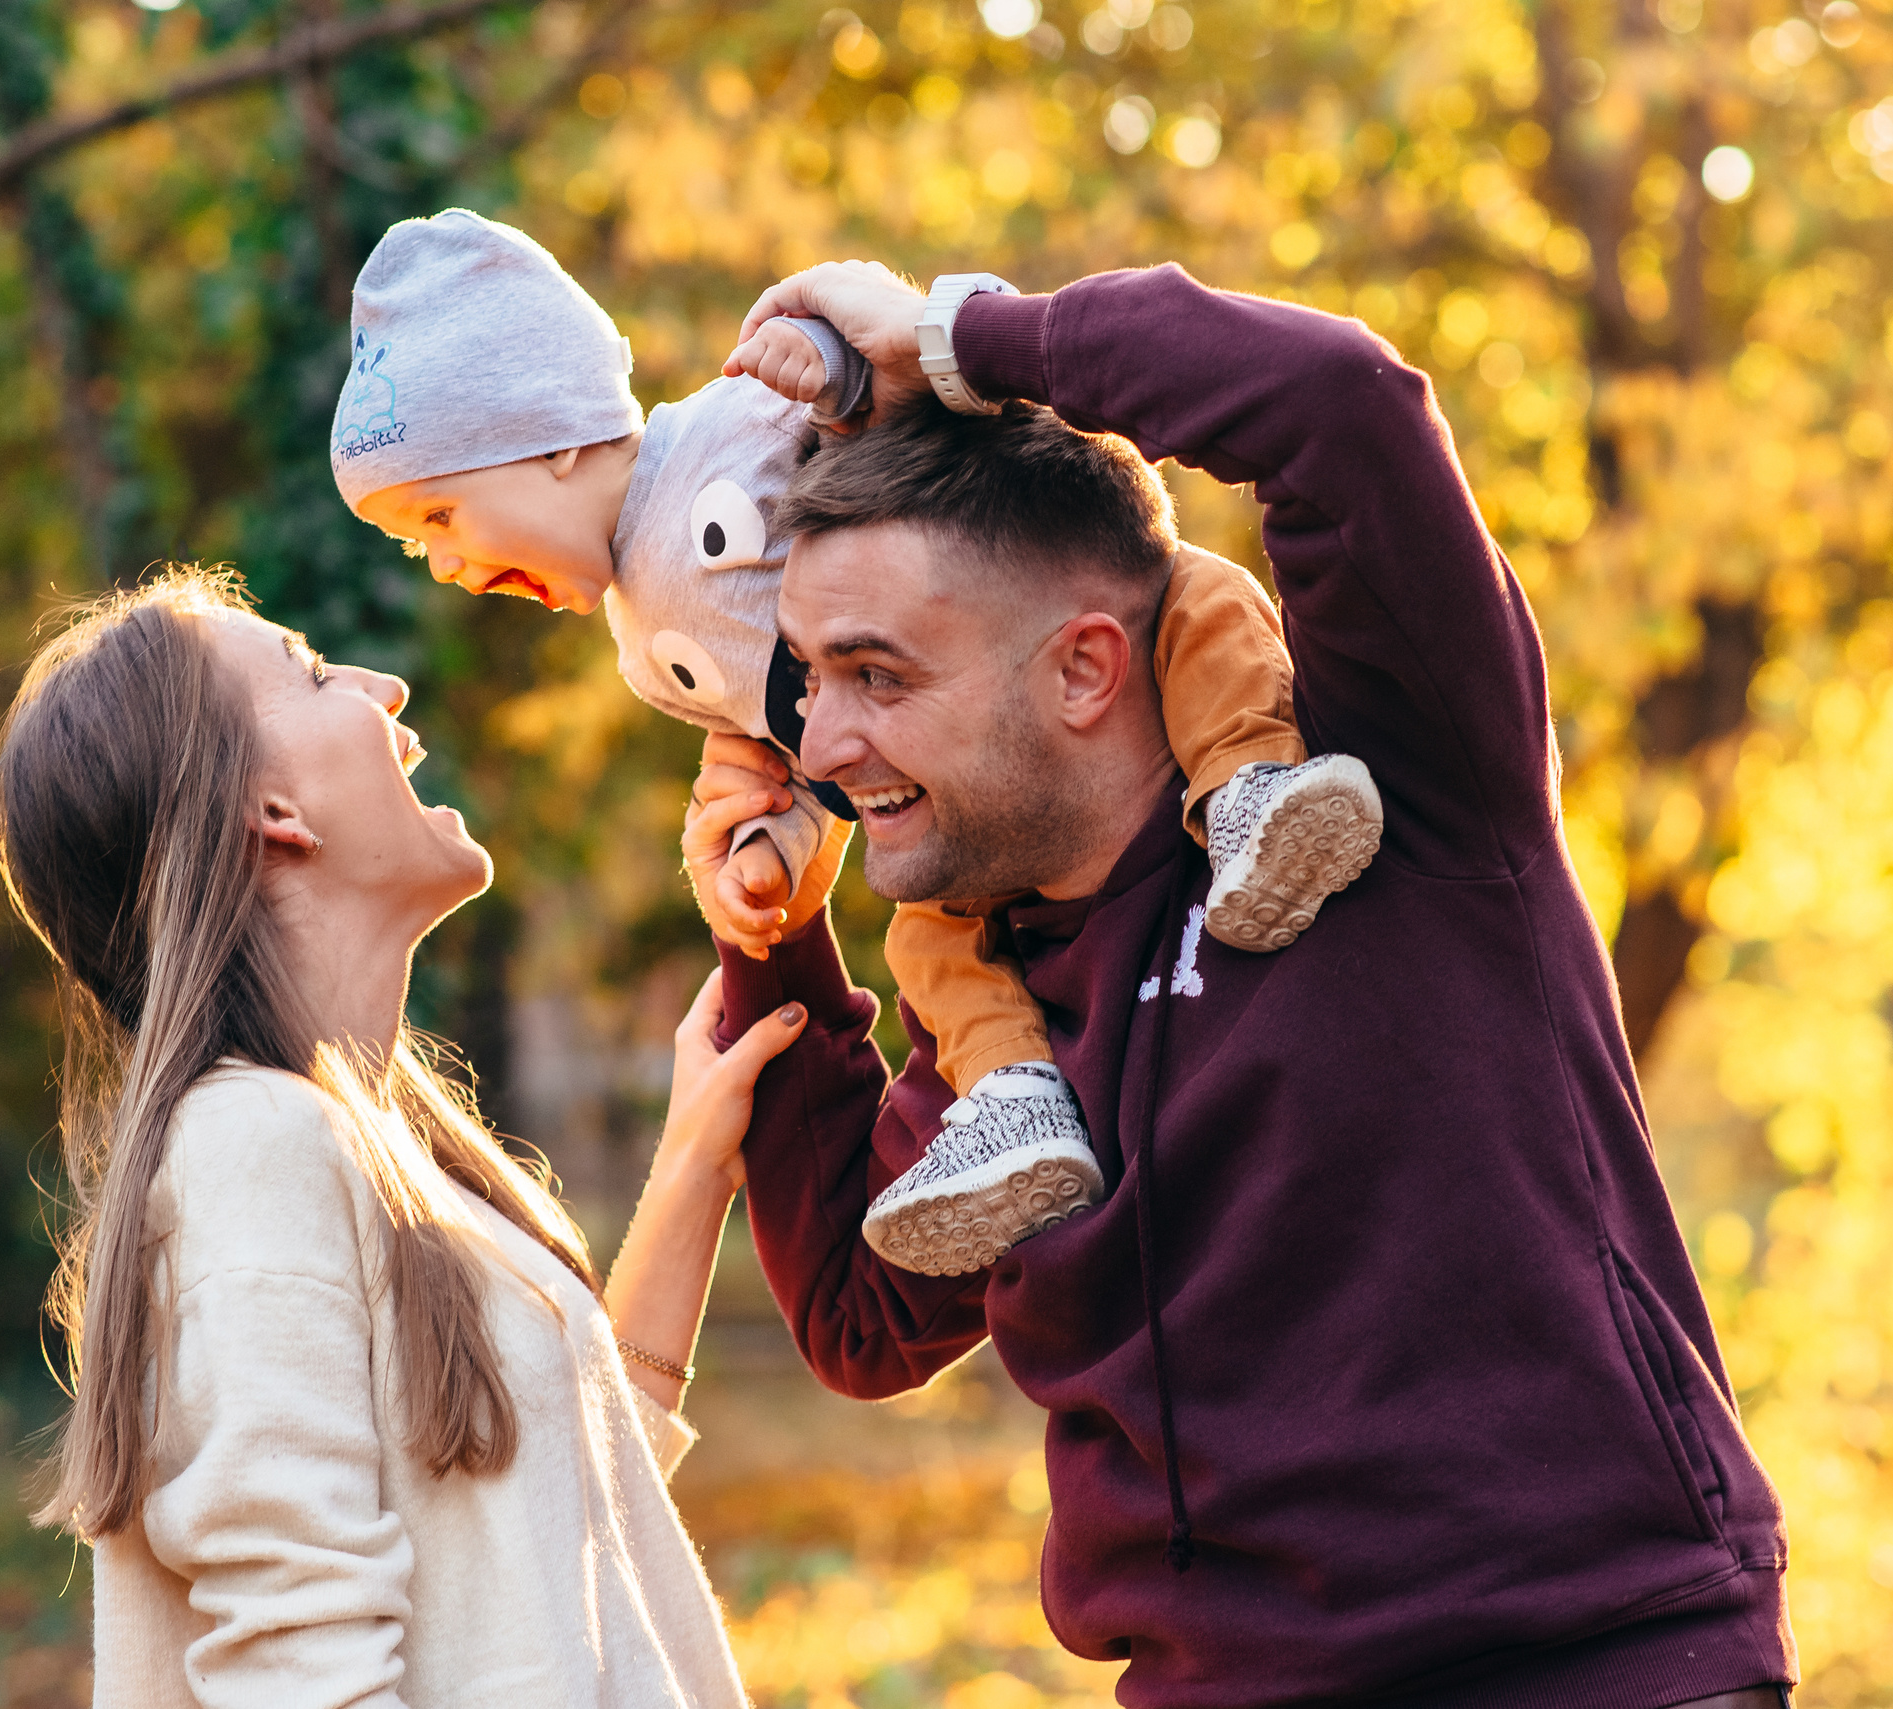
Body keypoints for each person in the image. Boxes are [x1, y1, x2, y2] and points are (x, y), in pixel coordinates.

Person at [683, 262, 1796, 1707]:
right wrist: (773, 936)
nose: (821, 746)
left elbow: (1340, 403)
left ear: (1084, 668)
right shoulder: (990, 1013)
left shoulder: (1393, 773)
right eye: (809, 677)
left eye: (876, 675)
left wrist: (967, 337)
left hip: (1597, 1663)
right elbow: (857, 1315)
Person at [333, 209, 1383, 1280]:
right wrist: (775, 873)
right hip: (945, 812)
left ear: (553, 438)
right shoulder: (647, 655)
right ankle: (1012, 1101)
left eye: (440, 517)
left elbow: (869, 381)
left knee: (1200, 601)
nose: (442, 566)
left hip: (1077, 600)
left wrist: (849, 351)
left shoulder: (719, 433)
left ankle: (1253, 789)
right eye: (416, 546)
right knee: (930, 936)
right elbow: (797, 751)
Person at [0, 565, 800, 1707]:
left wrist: (696, 1162)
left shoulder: (363, 1139)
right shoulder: (249, 1144)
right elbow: (301, 1672)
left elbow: (554, 1526)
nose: (386, 687)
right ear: (273, 812)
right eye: (318, 674)